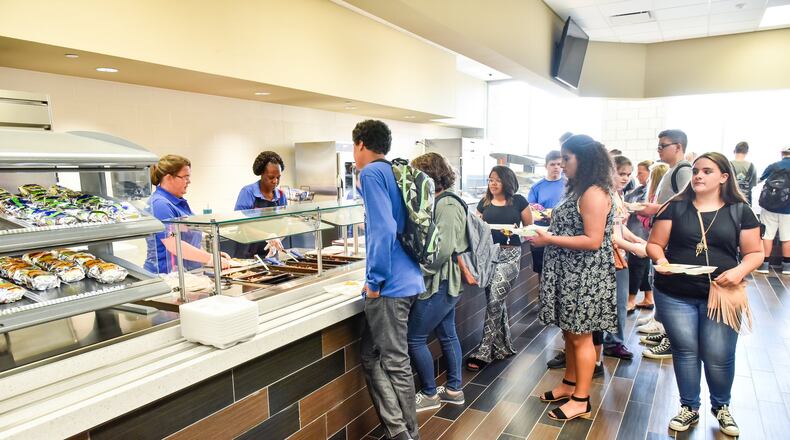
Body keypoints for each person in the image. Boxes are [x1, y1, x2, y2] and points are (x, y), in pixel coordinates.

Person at [646, 152, 762, 436]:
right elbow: (655, 245)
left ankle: (721, 407)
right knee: (685, 352)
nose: (698, 175)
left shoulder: (740, 211)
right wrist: (661, 262)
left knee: (719, 354)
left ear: (724, 177)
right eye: (696, 170)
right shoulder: (675, 207)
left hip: (722, 293)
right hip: (675, 293)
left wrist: (738, 272)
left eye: (707, 171)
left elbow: (755, 252)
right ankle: (689, 407)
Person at [532, 134, 617, 421]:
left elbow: (593, 240)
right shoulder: (579, 189)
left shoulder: (593, 192)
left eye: (567, 158)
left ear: (584, 159)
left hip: (583, 275)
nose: (563, 164)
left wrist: (550, 239)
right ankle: (569, 384)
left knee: (581, 337)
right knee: (569, 333)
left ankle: (581, 399)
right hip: (569, 271)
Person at [353, 120, 424, 440]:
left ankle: (408, 434)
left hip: (390, 285)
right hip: (409, 276)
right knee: (371, 355)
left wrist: (375, 281)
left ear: (360, 144)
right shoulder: (397, 171)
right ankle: (398, 431)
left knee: (394, 362)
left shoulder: (370, 173)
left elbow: (381, 228)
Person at [407, 152, 468, 412]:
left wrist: (417, 271)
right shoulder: (441, 201)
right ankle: (454, 390)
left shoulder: (447, 205)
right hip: (445, 281)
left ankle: (430, 394)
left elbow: (442, 250)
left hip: (441, 281)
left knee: (415, 338)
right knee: (447, 333)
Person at [466, 166, 533, 372]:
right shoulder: (484, 202)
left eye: (496, 180)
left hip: (510, 255)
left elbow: (530, 229)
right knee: (496, 301)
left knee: (495, 300)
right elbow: (475, 226)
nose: (492, 183)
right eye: (490, 180)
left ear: (506, 181)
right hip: (489, 257)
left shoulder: (519, 201)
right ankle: (502, 347)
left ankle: (484, 350)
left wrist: (516, 231)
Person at [637, 129, 694, 360]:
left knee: (671, 287)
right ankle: (667, 332)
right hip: (664, 237)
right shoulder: (672, 170)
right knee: (662, 283)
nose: (658, 150)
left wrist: (654, 209)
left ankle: (673, 340)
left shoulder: (683, 170)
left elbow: (685, 204)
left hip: (674, 239)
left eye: (663, 146)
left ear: (678, 147)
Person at [144, 155, 231, 274]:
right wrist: (210, 259)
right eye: (185, 177)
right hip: (167, 274)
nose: (189, 181)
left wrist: (208, 255)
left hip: (187, 273)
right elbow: (173, 244)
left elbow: (189, 240)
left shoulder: (178, 202)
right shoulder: (160, 204)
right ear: (169, 178)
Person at [604, 155, 647, 360]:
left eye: (628, 175)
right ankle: (612, 342)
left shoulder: (618, 196)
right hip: (610, 257)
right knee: (615, 302)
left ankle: (613, 341)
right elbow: (609, 234)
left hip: (620, 255)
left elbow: (621, 229)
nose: (625, 178)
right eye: (621, 174)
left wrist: (639, 241)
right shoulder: (605, 197)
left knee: (619, 303)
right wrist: (635, 247)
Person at [234, 151, 288, 257]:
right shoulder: (248, 192)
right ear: (262, 174)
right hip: (247, 253)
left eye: (278, 177)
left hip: (270, 252)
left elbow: (285, 224)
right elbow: (242, 225)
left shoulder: (281, 195)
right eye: (271, 177)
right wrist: (268, 236)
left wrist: (277, 239)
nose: (275, 181)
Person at [527, 150, 564, 275]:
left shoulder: (569, 185)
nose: (556, 167)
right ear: (546, 166)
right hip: (542, 232)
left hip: (562, 234)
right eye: (553, 164)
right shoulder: (536, 187)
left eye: (559, 164)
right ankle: (541, 294)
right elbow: (530, 210)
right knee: (542, 271)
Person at [755, 146, 790, 275]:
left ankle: (764, 265)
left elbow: (759, 180)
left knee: (767, 235)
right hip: (788, 209)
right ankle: (787, 266)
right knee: (787, 237)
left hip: (770, 207)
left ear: (782, 154)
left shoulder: (774, 166)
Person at [625, 160, 653, 312]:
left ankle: (631, 300)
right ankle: (649, 297)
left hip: (641, 232)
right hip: (636, 233)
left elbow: (643, 208)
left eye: (640, 172)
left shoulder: (649, 190)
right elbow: (627, 201)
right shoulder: (639, 189)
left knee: (636, 266)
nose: (637, 175)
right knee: (642, 266)